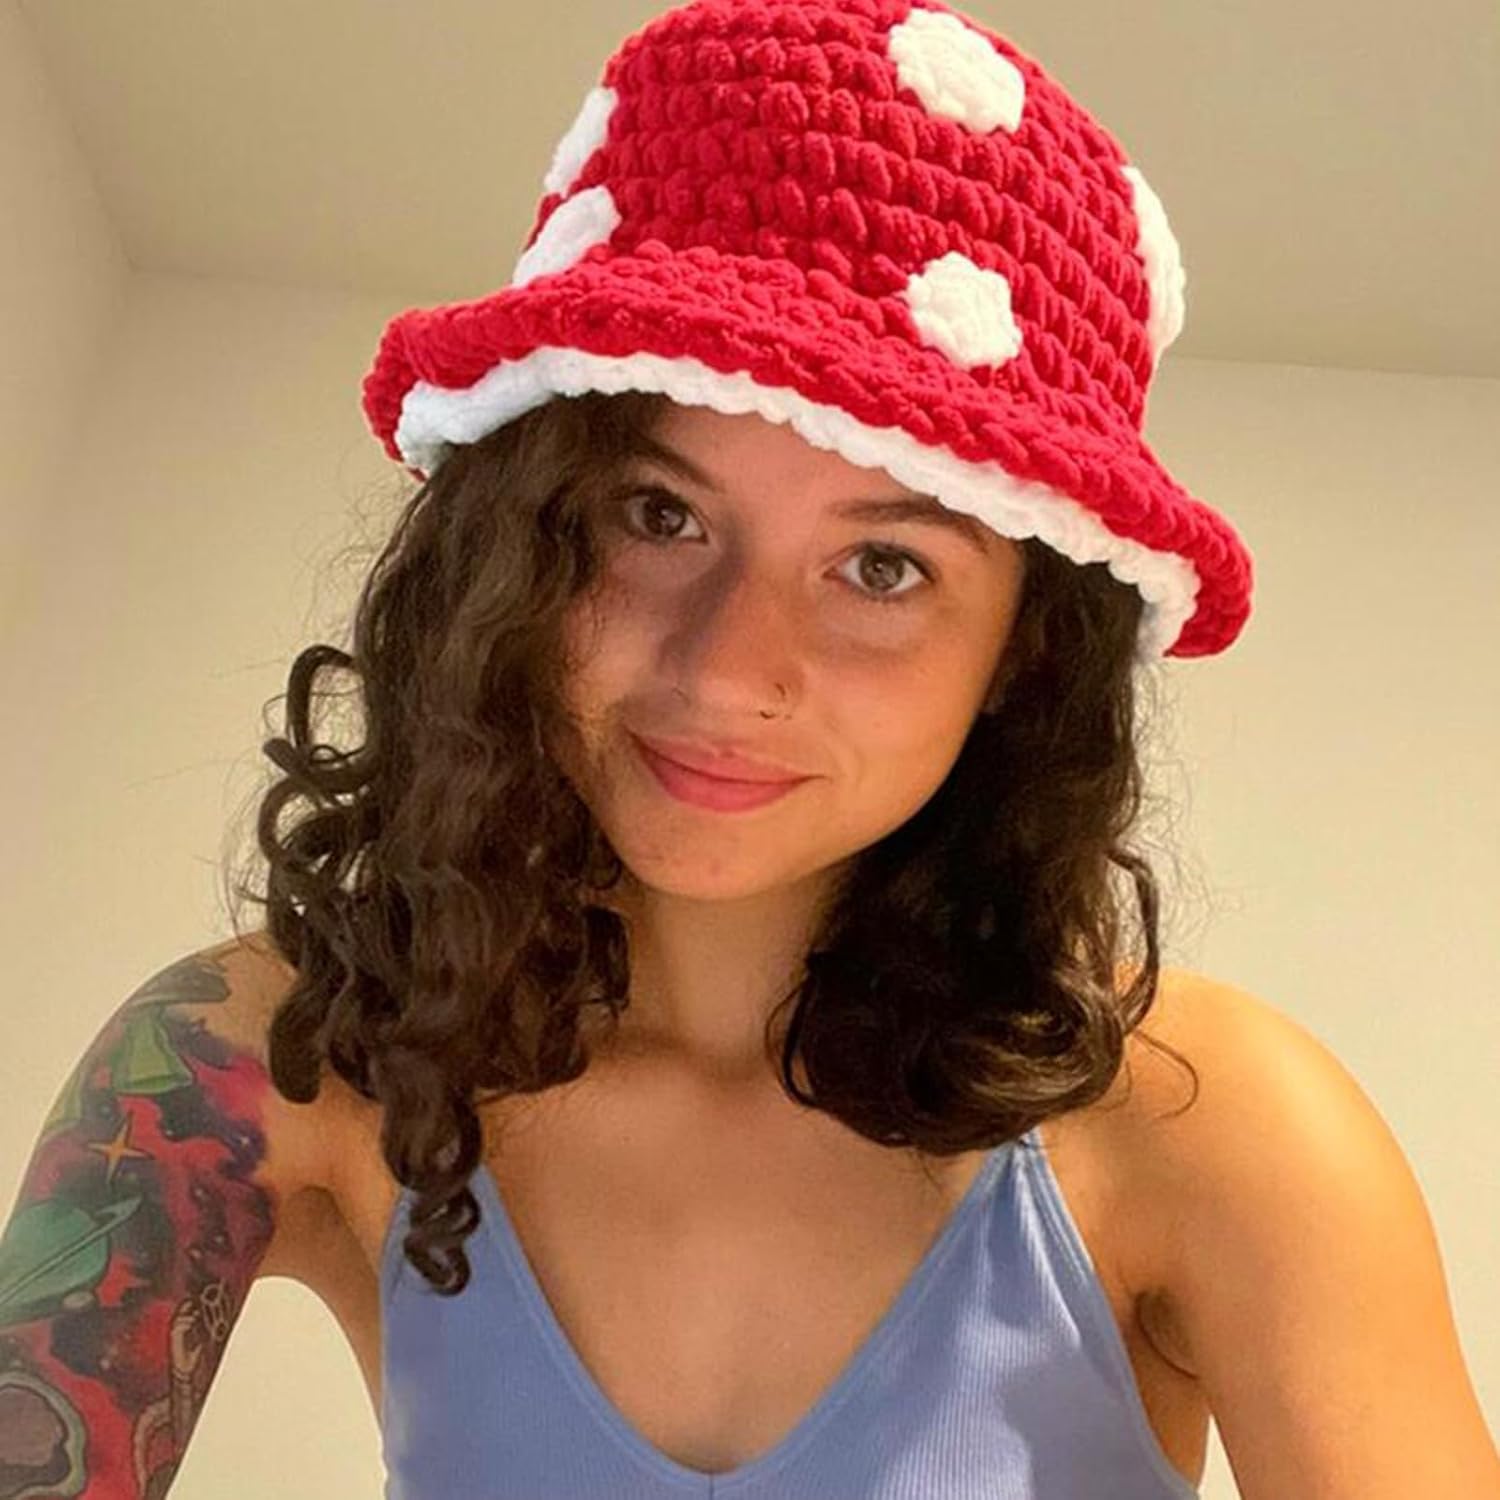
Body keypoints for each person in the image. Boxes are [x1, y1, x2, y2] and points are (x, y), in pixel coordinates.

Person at [8, 2, 1498, 1498]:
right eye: (658, 516)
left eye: (884, 568)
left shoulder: (1215, 1129)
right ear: (516, 542)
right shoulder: (273, 1057)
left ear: (1022, 656)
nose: (729, 672)